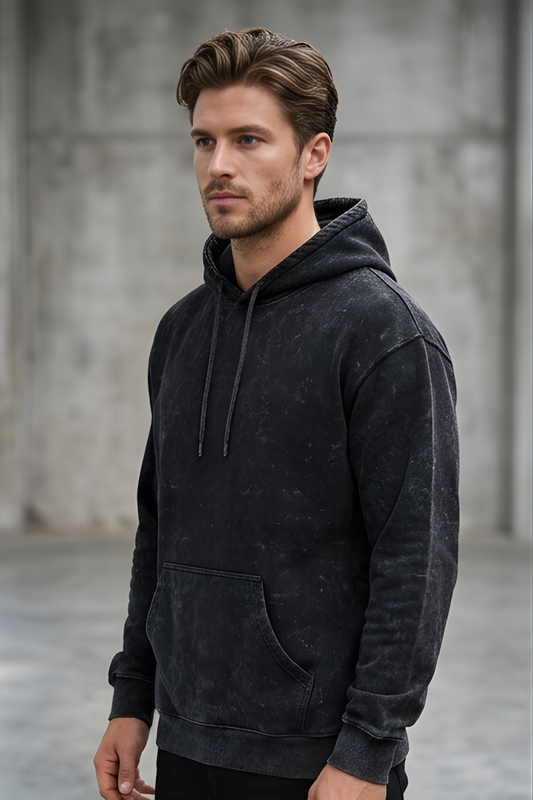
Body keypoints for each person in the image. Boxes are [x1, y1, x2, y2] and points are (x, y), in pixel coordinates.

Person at [94, 27, 459, 800]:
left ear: (313, 153)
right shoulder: (182, 329)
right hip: (187, 740)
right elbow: (160, 530)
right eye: (204, 141)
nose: (218, 165)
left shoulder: (384, 333)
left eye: (248, 139)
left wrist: (366, 750)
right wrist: (132, 697)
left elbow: (414, 561)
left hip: (318, 761)